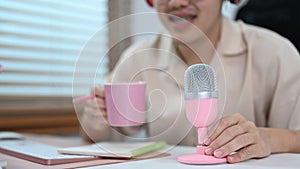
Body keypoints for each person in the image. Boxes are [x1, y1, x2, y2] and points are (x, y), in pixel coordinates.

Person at [79, 0, 300, 163]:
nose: (178, 2)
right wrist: (96, 123)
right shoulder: (137, 57)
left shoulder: (275, 52)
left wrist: (268, 139)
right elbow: (105, 134)